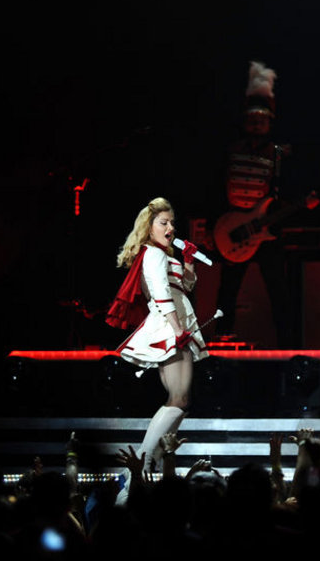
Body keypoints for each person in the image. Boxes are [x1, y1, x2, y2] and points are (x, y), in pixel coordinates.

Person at [105, 196, 208, 474]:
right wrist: (177, 329)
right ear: (149, 226)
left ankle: (149, 464)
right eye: (164, 223)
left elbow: (185, 287)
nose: (170, 228)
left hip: (175, 324)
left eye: (172, 222)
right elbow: (161, 294)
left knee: (181, 400)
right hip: (169, 326)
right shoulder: (153, 254)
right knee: (179, 399)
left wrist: (188, 261)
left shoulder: (164, 255)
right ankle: (142, 465)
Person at [211, 61, 309, 347]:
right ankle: (222, 337)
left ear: (270, 123)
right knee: (228, 289)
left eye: (261, 120)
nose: (256, 124)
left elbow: (283, 191)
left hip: (264, 230)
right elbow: (217, 185)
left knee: (278, 289)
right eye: (252, 119)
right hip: (233, 224)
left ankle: (287, 344)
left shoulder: (278, 154)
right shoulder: (231, 149)